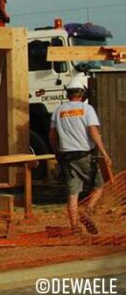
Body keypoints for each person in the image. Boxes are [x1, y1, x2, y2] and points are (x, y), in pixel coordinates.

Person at [49, 74, 112, 234]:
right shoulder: (87, 109)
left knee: (73, 193)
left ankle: (75, 227)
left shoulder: (58, 110)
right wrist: (104, 152)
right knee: (99, 185)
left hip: (67, 158)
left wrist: (57, 152)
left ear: (67, 93)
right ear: (82, 93)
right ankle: (88, 209)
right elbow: (93, 131)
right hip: (85, 156)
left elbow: (52, 135)